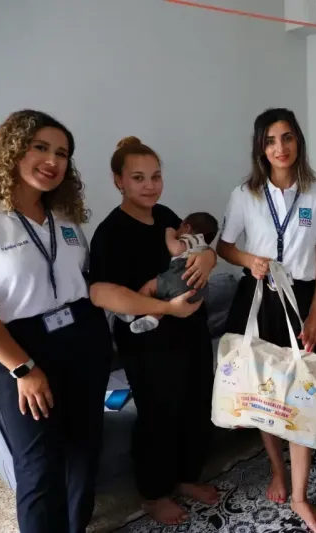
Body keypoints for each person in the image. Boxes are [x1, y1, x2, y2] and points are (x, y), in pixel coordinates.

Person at [0, 109, 113, 533]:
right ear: (12, 149)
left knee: (84, 451)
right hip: (24, 347)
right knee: (38, 468)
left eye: (62, 153)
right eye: (41, 147)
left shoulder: (64, 217)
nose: (53, 160)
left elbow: (85, 283)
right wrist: (23, 369)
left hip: (84, 337)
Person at [219, 108, 316, 533]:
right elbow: (224, 247)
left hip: (302, 301)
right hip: (258, 299)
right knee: (264, 392)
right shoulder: (244, 194)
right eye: (271, 140)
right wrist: (248, 259)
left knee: (301, 396)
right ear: (261, 147)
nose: (280, 147)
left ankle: (300, 496)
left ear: (298, 142)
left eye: (287, 137)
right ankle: (277, 469)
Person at [87, 136, 219, 526]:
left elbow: (195, 248)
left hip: (190, 329)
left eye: (156, 176)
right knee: (159, 414)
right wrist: (165, 309)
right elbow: (108, 296)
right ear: (118, 181)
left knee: (196, 403)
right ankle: (153, 493)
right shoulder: (110, 233)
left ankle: (186, 476)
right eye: (138, 177)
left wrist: (208, 258)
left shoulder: (165, 216)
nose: (149, 185)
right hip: (147, 340)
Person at [116, 211, 219, 333]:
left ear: (187, 228)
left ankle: (130, 310)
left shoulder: (191, 238)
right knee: (166, 301)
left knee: (150, 287)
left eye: (180, 227)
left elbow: (176, 250)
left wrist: (169, 235)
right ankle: (151, 319)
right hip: (197, 290)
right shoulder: (203, 246)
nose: (177, 229)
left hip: (180, 275)